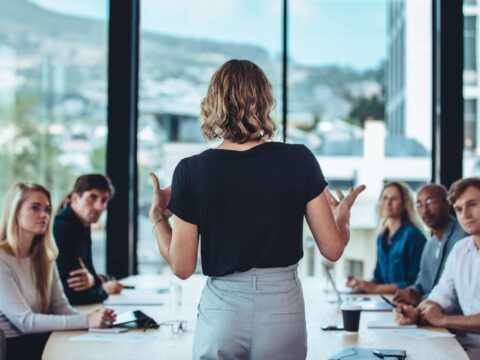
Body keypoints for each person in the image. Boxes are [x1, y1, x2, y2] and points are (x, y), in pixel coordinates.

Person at [149, 59, 365, 359]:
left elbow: (182, 266)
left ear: (213, 103)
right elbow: (332, 249)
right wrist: (342, 218)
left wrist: (158, 217)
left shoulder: (191, 170)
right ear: (264, 101)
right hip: (283, 306)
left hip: (222, 309)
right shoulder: (299, 159)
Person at [0, 183, 115, 360]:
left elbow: (60, 307)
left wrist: (95, 318)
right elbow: (25, 322)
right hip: (14, 349)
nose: (44, 215)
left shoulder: (44, 256)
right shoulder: (2, 259)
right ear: (15, 211)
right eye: (35, 208)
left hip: (42, 340)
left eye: (47, 209)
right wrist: (86, 321)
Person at [396, 177, 480, 359]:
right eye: (458, 209)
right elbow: (440, 295)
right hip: (465, 347)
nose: (465, 214)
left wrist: (443, 320)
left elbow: (442, 316)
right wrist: (416, 313)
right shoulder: (461, 249)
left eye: (472, 205)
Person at [54, 174, 123, 305]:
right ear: (75, 198)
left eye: (104, 200)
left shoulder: (83, 226)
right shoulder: (63, 228)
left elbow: (90, 276)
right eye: (92, 197)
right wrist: (105, 289)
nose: (99, 206)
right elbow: (75, 295)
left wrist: (94, 280)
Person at [393, 184, 466, 306]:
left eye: (430, 201)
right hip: (428, 314)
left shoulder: (464, 238)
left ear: (448, 203)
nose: (424, 210)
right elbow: (421, 283)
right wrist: (410, 292)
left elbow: (456, 292)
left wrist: (420, 299)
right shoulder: (429, 245)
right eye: (419, 204)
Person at [347, 182, 427, 294]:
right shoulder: (382, 236)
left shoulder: (413, 235)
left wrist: (375, 289)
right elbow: (378, 278)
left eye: (394, 199)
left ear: (404, 204)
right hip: (383, 300)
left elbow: (413, 282)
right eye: (384, 198)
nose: (387, 203)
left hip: (405, 303)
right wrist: (361, 284)